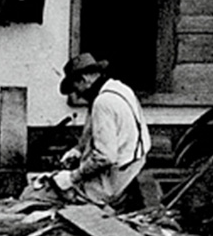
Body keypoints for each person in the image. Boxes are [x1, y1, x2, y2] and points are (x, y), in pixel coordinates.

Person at [55, 52, 151, 207]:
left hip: (122, 170)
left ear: (83, 79)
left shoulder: (103, 102)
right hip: (135, 159)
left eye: (75, 87)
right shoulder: (116, 87)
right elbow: (93, 124)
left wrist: (72, 177)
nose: (77, 95)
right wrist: (78, 150)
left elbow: (105, 157)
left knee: (68, 200)